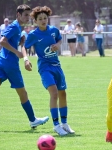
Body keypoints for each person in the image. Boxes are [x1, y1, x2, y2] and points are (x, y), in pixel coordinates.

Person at [0, 4, 49, 128]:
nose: (28, 17)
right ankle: (33, 120)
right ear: (18, 15)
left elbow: (8, 41)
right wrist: (17, 52)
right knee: (23, 93)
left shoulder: (17, 28)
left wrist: (19, 42)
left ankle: (33, 120)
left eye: (29, 15)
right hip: (10, 64)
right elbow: (2, 41)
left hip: (1, 61)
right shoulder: (15, 27)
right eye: (25, 15)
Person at [23, 6, 75, 136]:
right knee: (54, 93)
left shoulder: (53, 30)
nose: (43, 20)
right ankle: (56, 125)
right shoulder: (34, 35)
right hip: (45, 67)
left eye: (45, 18)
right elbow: (24, 47)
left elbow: (59, 39)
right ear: (35, 21)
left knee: (63, 94)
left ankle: (64, 123)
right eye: (40, 19)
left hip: (57, 65)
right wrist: (26, 59)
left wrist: (58, 45)